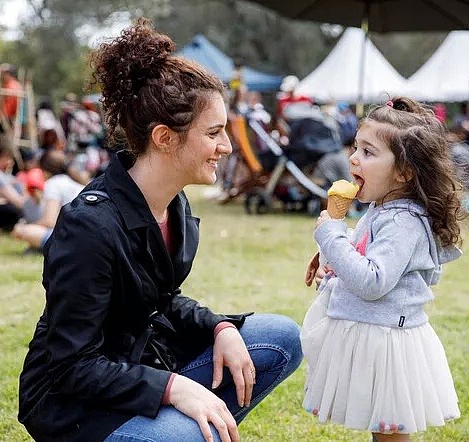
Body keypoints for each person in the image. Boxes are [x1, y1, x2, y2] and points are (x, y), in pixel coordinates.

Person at [18, 19, 302, 442]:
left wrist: (218, 326)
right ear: (165, 138)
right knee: (184, 432)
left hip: (145, 356)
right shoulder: (89, 226)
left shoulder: (175, 203)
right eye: (214, 133)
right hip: (75, 403)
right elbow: (71, 365)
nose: (226, 147)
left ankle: (184, 426)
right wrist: (173, 388)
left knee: (280, 338)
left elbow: (160, 302)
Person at [301, 97, 467, 441]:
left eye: (368, 152)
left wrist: (332, 234)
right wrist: (333, 257)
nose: (353, 158)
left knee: (389, 434)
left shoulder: (404, 220)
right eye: (356, 147)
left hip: (388, 344)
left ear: (404, 171)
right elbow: (367, 255)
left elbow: (374, 280)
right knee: (381, 430)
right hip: (372, 335)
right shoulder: (383, 208)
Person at [12, 149, 84, 251]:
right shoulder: (75, 182)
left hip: (72, 239)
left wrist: (30, 226)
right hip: (86, 234)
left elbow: (50, 221)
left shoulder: (53, 184)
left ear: (44, 170)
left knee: (21, 230)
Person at [0, 64, 23, 133]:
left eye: (1, 73)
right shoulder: (14, 85)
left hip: (7, 119)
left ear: (7, 73)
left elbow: (9, 107)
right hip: (9, 119)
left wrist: (3, 117)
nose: (0, 75)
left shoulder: (11, 87)